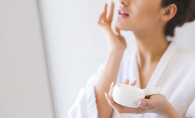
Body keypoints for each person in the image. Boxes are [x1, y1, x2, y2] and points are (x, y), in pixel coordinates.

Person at [68, 0, 195, 117]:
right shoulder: (113, 69)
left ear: (167, 12)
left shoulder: (191, 68)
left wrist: (164, 110)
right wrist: (115, 51)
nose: (122, 1)